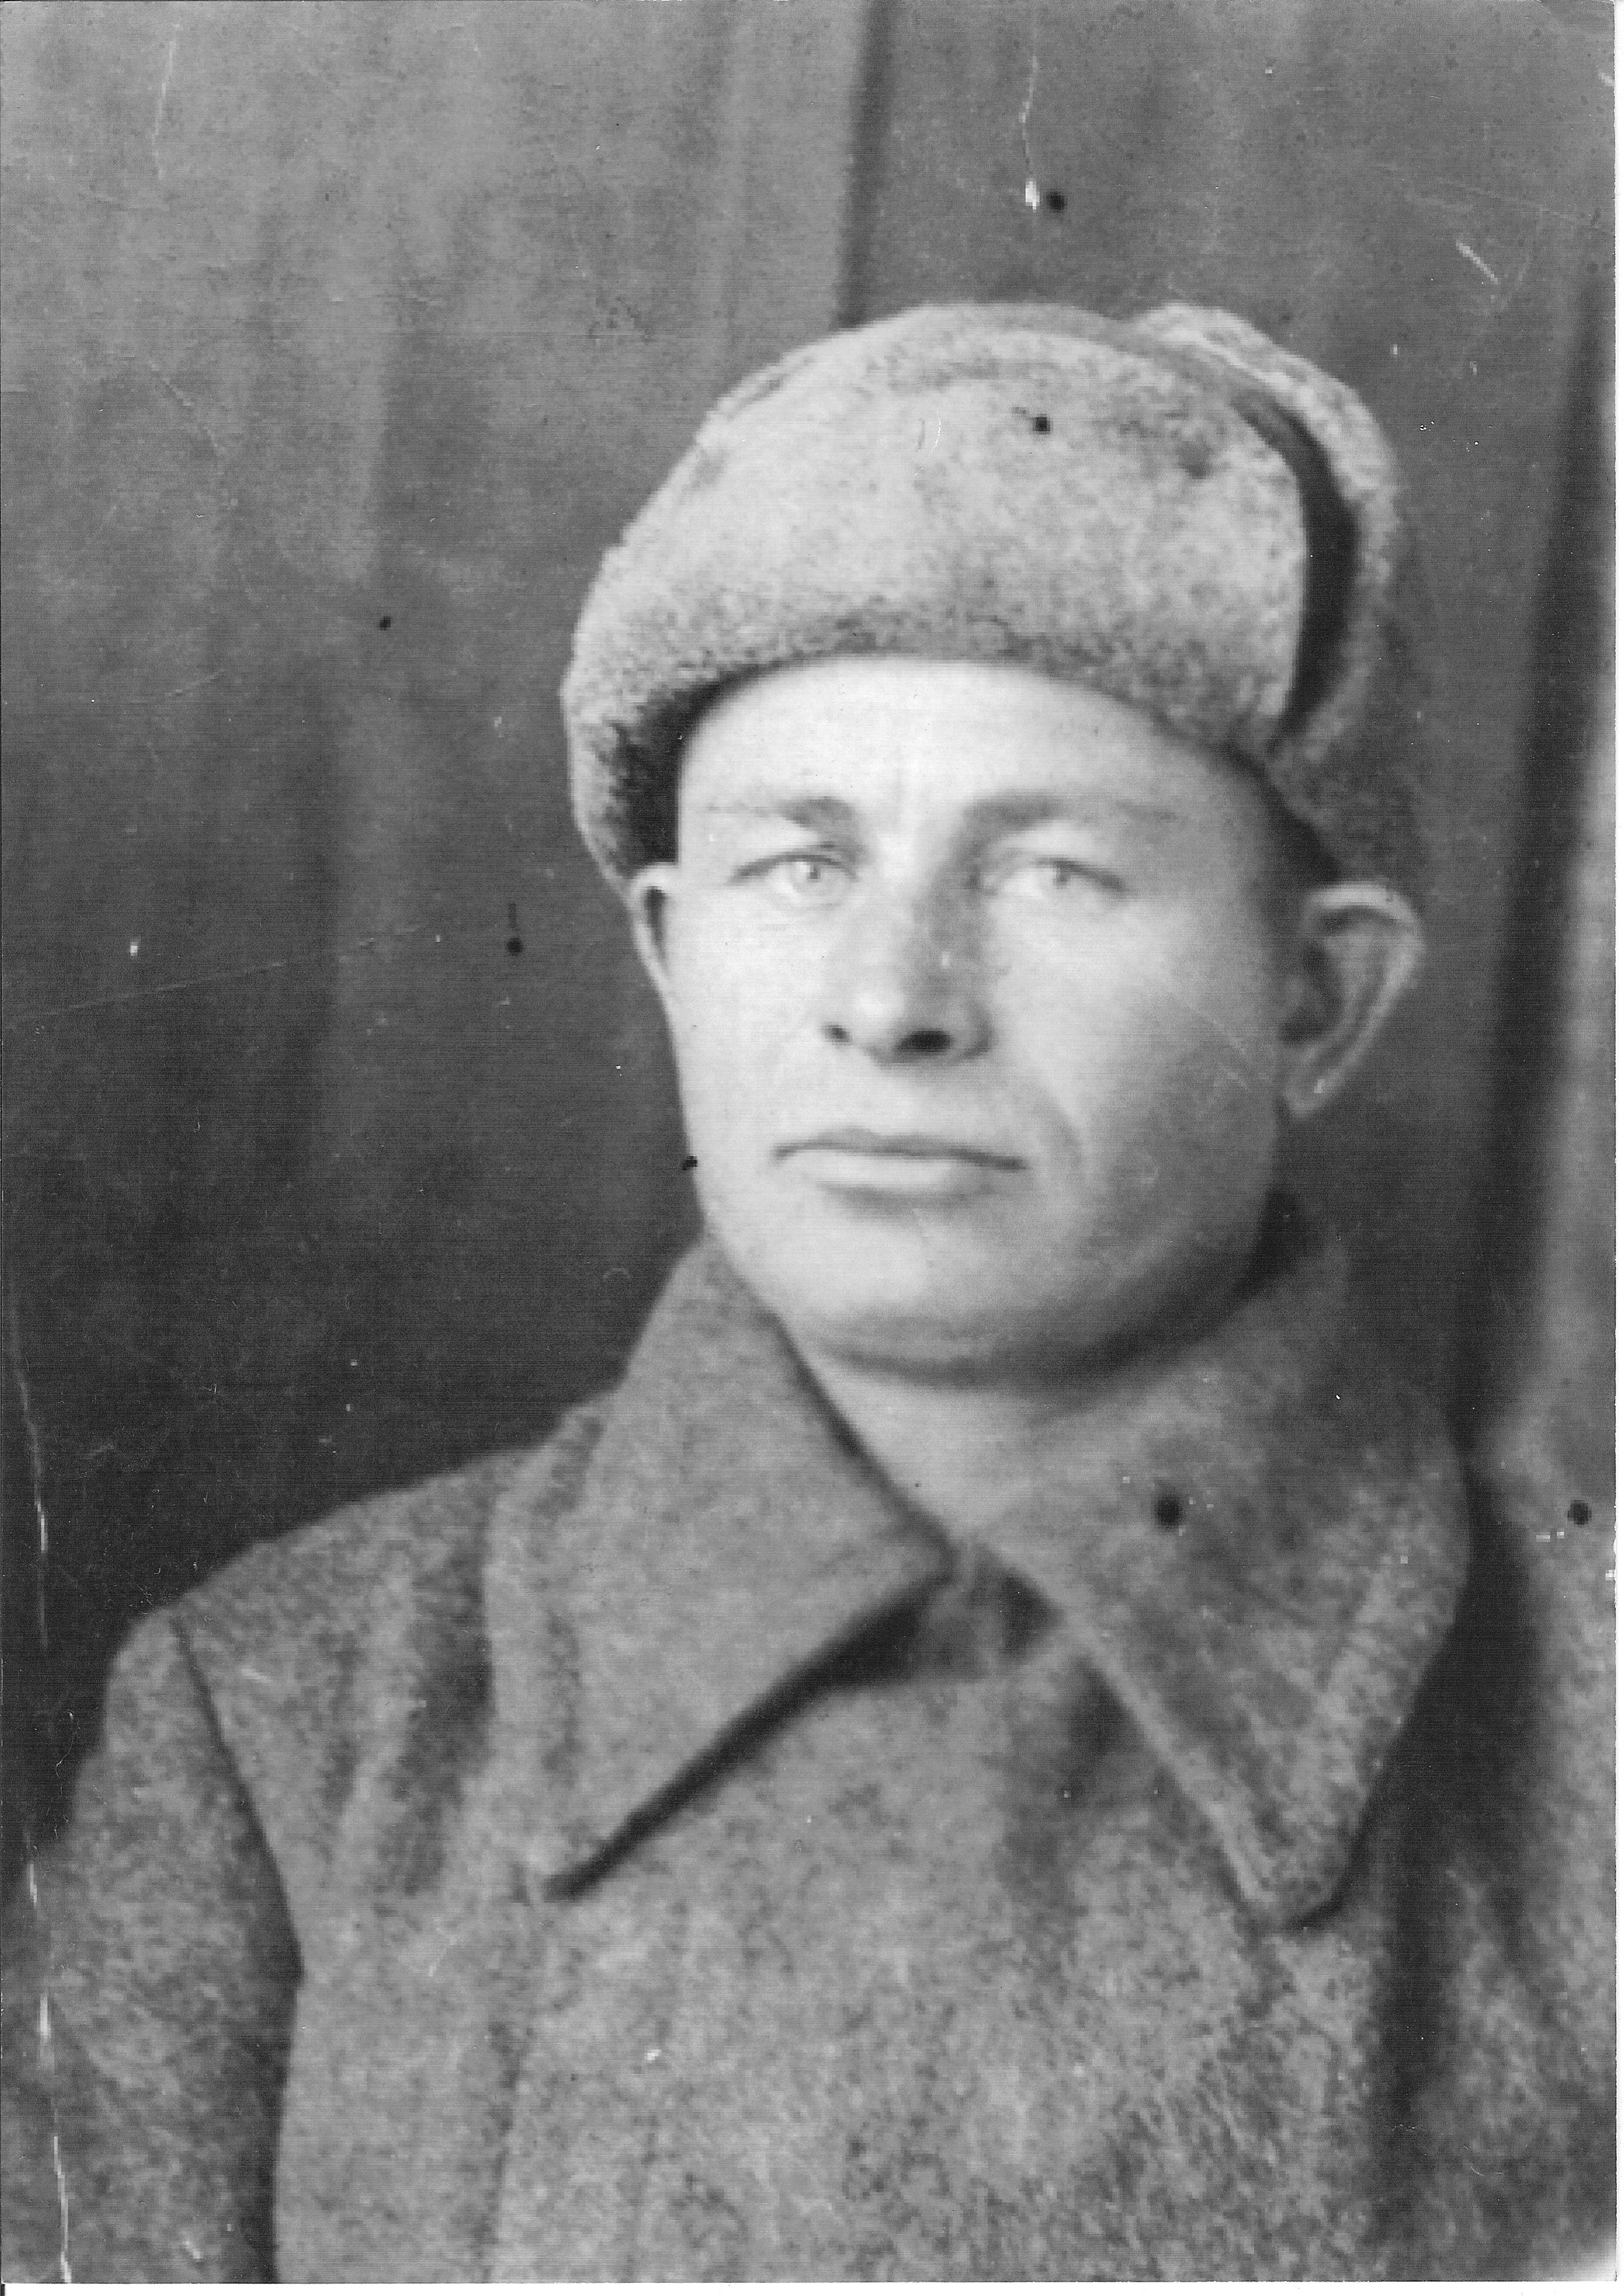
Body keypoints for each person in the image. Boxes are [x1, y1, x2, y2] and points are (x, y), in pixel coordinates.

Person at [1, 302, 1612, 2281]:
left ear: (1316, 997)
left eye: (1051, 874)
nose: (891, 1000)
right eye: (798, 866)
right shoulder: (289, 1730)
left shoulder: (1590, 1751)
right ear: (670, 950)